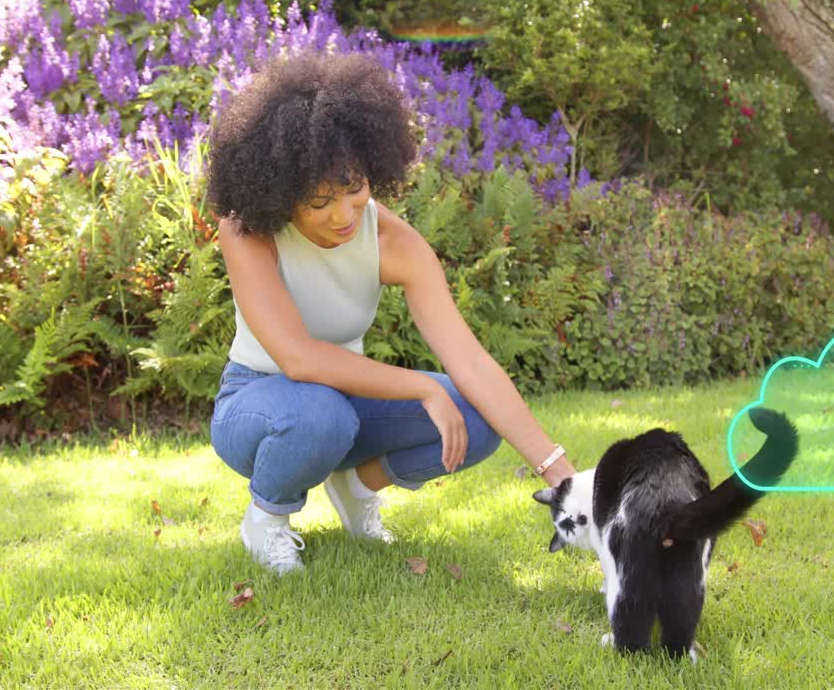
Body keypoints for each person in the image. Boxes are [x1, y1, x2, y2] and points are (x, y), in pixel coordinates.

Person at [206, 52, 576, 574]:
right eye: (319, 200)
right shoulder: (247, 230)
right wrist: (423, 388)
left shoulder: (394, 242)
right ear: (282, 191)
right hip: (257, 401)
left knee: (477, 415)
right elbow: (299, 359)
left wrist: (559, 472)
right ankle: (266, 518)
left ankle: (355, 489)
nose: (343, 215)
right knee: (320, 413)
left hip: (343, 400)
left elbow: (469, 360)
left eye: (354, 188)